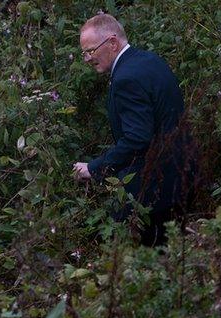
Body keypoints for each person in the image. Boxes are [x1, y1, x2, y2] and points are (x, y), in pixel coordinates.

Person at [73, 14, 193, 246]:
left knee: (147, 260)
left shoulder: (126, 78)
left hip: (156, 189)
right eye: (84, 53)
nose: (87, 59)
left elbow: (137, 139)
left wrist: (94, 168)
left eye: (90, 51)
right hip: (180, 175)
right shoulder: (149, 60)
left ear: (112, 43)